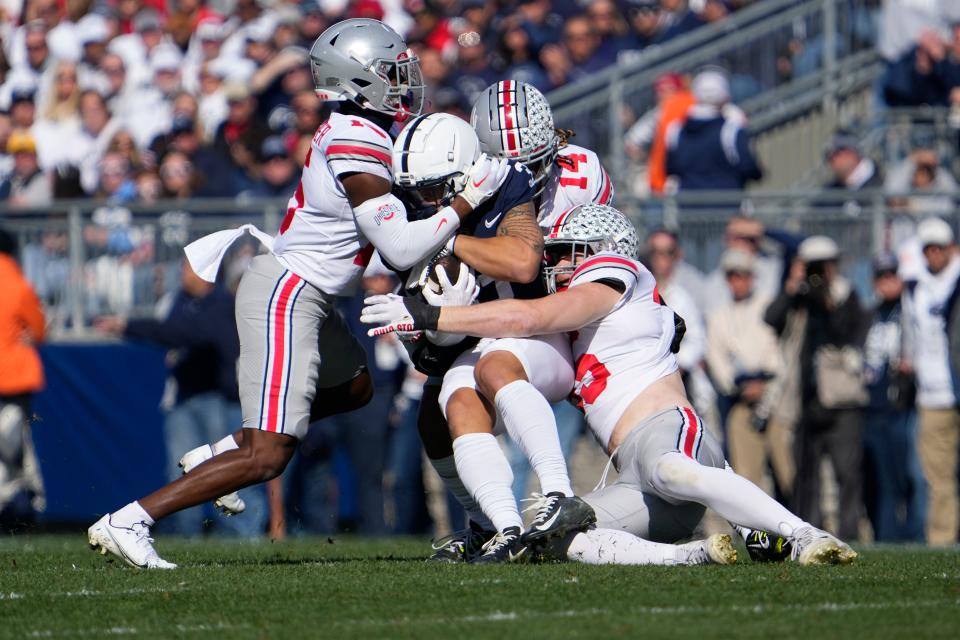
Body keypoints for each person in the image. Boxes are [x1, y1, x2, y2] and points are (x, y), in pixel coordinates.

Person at [88, 18, 507, 569]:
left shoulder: (365, 130)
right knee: (268, 456)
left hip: (309, 292)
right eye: (390, 72)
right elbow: (402, 248)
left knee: (356, 388)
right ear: (356, 80)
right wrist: (467, 200)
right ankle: (130, 519)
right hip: (289, 293)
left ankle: (223, 449)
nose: (404, 80)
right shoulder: (358, 139)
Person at [362, 204, 857, 566]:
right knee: (555, 539)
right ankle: (694, 557)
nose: (554, 266)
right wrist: (435, 331)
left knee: (672, 470)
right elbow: (510, 345)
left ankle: (804, 534)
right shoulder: (571, 335)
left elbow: (530, 315)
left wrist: (433, 312)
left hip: (669, 433)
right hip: (632, 479)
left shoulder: (617, 271)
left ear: (599, 250)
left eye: (565, 254)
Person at [419, 81, 616, 563]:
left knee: (631, 411)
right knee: (441, 409)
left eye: (534, 161)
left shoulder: (581, 172)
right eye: (514, 167)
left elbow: (609, 249)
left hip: (563, 321)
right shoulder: (466, 180)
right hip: (496, 320)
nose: (527, 176)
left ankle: (557, 495)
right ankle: (492, 525)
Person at [93, 262, 267, 538]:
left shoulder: (222, 303)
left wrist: (130, 326)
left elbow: (187, 334)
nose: (183, 273)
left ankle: (246, 535)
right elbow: (172, 331)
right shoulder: (177, 301)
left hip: (220, 399)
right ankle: (187, 534)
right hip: (185, 398)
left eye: (190, 268)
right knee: (183, 469)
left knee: (233, 471)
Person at [764, 236, 868, 542]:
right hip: (806, 399)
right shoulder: (800, 296)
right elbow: (771, 318)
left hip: (840, 399)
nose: (821, 271)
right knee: (805, 474)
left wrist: (826, 299)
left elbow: (845, 333)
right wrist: (793, 286)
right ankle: (810, 533)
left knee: (847, 473)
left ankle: (849, 534)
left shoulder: (846, 295)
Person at [706, 249, 793, 504]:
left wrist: (768, 385)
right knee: (745, 474)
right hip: (741, 397)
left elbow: (781, 352)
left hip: (775, 395)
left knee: (787, 470)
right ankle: (755, 534)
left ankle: (798, 527)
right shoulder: (719, 317)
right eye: (733, 276)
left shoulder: (767, 306)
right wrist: (738, 387)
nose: (739, 281)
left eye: (743, 275)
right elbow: (717, 360)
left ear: (752, 277)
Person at [903, 217, 960, 545]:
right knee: (938, 476)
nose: (934, 254)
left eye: (939, 247)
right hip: (933, 394)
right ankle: (942, 539)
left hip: (957, 386)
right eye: (929, 249)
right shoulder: (917, 288)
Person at [863, 254, 926, 542]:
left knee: (909, 477)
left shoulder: (910, 312)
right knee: (883, 480)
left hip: (901, 405)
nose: (887, 282)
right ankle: (887, 537)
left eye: (892, 276)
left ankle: (914, 534)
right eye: (881, 277)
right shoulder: (872, 314)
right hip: (874, 408)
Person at [0, 228, 46, 531]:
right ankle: (28, 504)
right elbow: (39, 329)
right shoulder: (17, 283)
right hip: (13, 377)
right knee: (17, 450)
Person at [665, 69, 762, 192]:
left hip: (688, 207)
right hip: (725, 206)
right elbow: (748, 167)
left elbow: (671, 168)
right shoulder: (731, 128)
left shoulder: (676, 129)